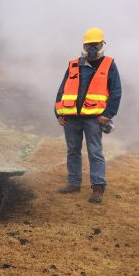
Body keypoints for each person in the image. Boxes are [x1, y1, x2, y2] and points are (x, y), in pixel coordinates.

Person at [54, 27, 122, 203]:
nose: (92, 48)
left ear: (101, 44)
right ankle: (73, 183)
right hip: (71, 118)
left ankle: (98, 188)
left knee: (95, 152)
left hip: (94, 118)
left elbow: (116, 92)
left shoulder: (109, 65)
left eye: (96, 44)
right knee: (73, 151)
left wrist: (109, 114)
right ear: (84, 45)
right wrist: (58, 113)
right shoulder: (74, 64)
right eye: (89, 44)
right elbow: (62, 90)